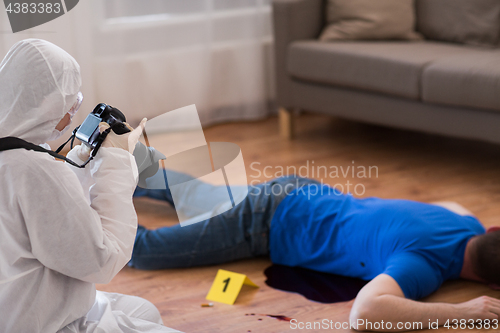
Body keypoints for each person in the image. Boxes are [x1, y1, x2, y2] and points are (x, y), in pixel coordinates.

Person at [131, 174, 500, 331]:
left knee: (197, 196)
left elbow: (451, 202)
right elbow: (365, 314)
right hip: (263, 222)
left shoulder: (465, 221)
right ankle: (85, 202)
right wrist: (462, 312)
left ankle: (118, 169)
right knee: (142, 251)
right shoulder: (422, 267)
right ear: (491, 284)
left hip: (301, 190)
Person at [0, 39, 180, 333]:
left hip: (21, 305)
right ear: (46, 104)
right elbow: (102, 260)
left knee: (145, 311)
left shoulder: (17, 157)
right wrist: (117, 162)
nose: (73, 111)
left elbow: (54, 216)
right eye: (71, 101)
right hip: (45, 322)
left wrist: (80, 160)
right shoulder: (34, 170)